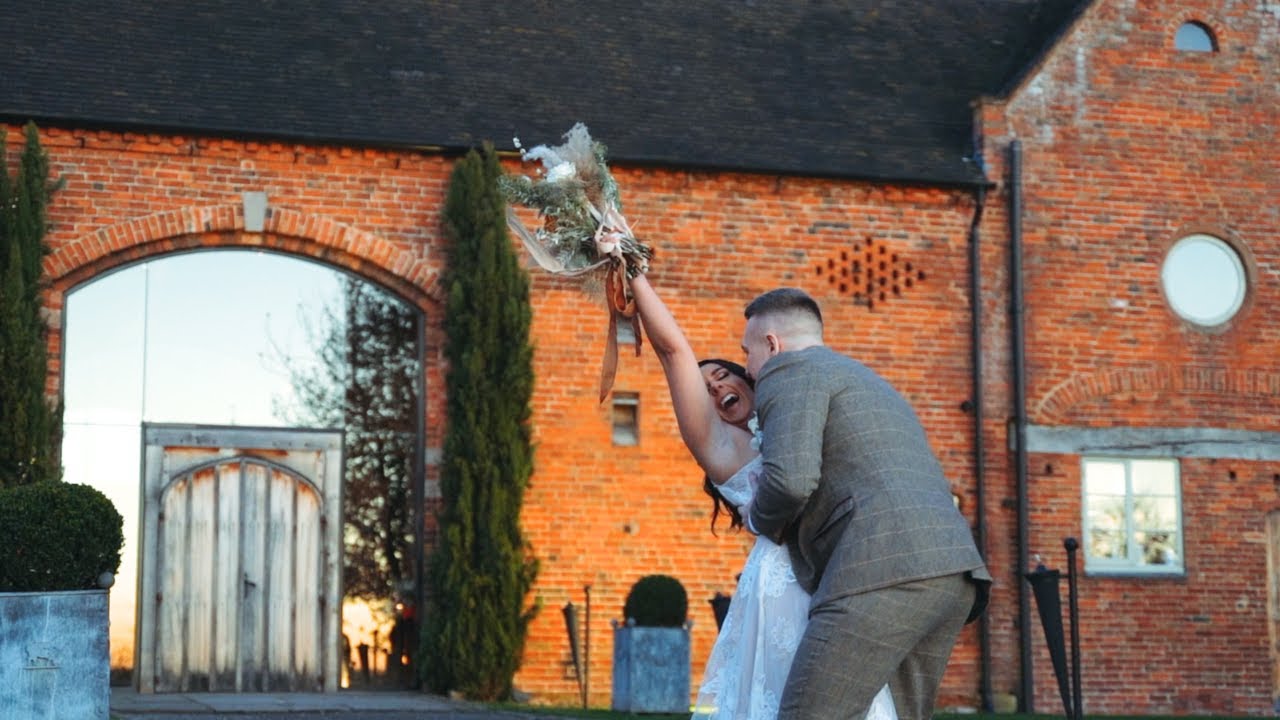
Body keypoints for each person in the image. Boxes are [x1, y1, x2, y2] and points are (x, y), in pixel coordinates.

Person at [629, 275, 897, 720]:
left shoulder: (800, 413)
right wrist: (632, 270)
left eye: (721, 377)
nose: (716, 389)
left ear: (750, 378)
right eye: (706, 391)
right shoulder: (722, 449)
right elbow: (673, 349)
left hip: (839, 570)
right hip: (783, 588)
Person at [740, 287, 992, 720]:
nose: (747, 367)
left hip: (880, 569)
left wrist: (755, 517)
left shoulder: (788, 371)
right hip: (953, 569)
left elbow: (790, 481)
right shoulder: (869, 380)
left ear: (772, 344)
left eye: (746, 353)